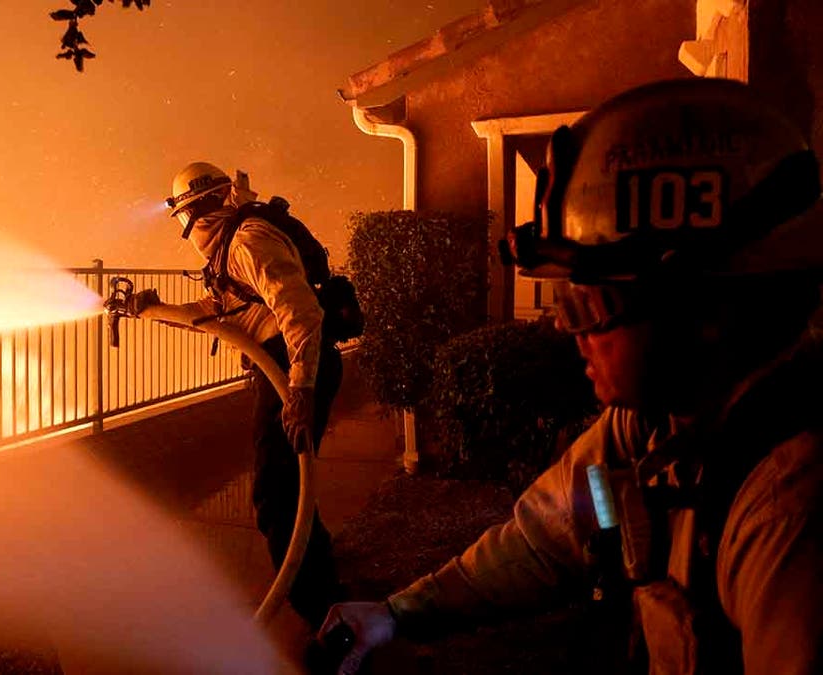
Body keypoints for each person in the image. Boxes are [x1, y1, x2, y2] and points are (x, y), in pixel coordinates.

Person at [319, 77, 823, 675]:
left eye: (588, 303)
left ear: (700, 308)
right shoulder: (654, 427)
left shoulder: (792, 515)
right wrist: (395, 614)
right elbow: (546, 536)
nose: (567, 328)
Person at [123, 162, 346, 630]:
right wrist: (153, 310)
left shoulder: (247, 242)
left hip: (293, 368)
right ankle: (325, 584)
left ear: (193, 212)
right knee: (290, 487)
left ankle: (326, 616)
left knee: (276, 495)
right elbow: (219, 312)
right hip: (285, 369)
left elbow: (300, 310)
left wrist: (300, 390)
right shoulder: (231, 247)